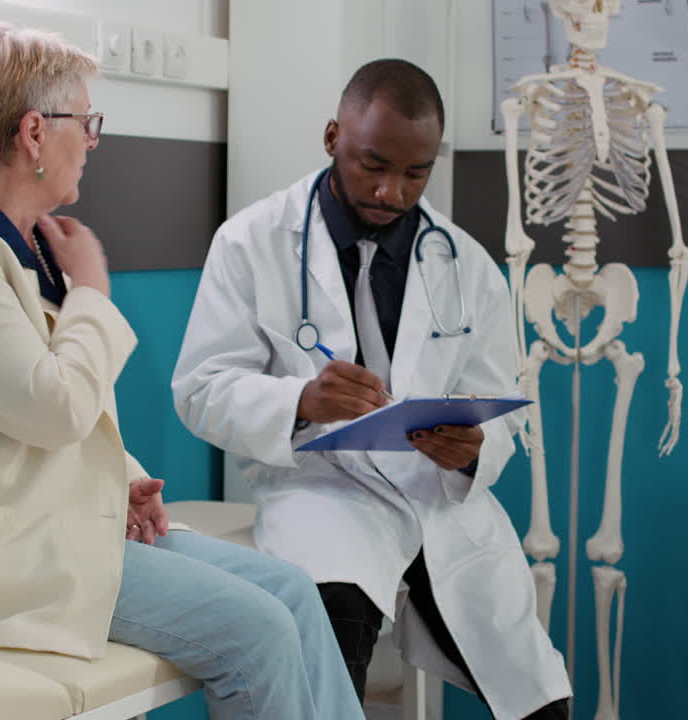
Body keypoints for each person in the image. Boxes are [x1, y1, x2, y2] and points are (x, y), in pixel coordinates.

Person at [0, 21, 363, 720]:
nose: (91, 141)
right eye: (86, 123)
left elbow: (30, 405)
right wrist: (91, 291)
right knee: (258, 631)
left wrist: (120, 481)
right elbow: (52, 406)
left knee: (294, 593)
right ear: (33, 133)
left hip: (49, 527)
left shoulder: (26, 244)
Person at [172, 59, 572, 720]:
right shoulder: (251, 243)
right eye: (373, 165)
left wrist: (473, 448)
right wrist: (299, 401)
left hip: (437, 500)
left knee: (534, 691)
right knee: (332, 638)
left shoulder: (467, 265)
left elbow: (498, 407)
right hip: (322, 490)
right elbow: (200, 390)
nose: (391, 192)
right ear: (333, 137)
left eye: (416, 174)